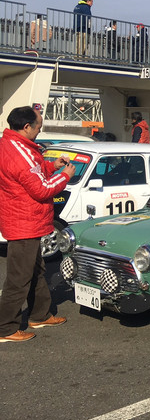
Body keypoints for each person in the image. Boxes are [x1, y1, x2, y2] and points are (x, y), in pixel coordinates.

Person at [0, 106, 76, 343]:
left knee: (36, 271)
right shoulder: (20, 153)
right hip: (24, 223)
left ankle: (40, 314)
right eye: (38, 126)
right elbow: (42, 189)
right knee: (18, 278)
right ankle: (6, 327)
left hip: (25, 221)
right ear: (26, 127)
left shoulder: (13, 145)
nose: (39, 130)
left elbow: (33, 173)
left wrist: (53, 166)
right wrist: (65, 176)